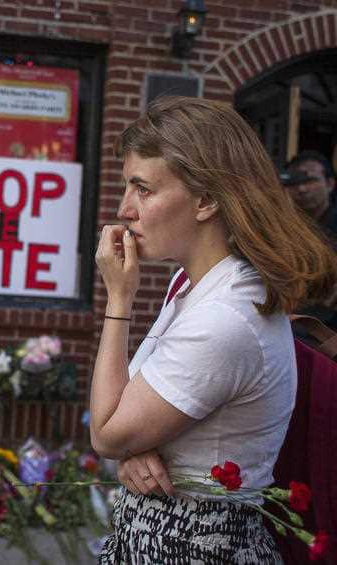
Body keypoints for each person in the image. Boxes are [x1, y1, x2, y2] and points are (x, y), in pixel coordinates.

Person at [91, 96, 337, 563]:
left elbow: (105, 432)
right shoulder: (193, 284)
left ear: (205, 200)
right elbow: (129, 419)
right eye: (128, 188)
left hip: (194, 547)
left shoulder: (225, 318)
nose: (125, 210)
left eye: (143, 189)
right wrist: (136, 445)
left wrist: (118, 299)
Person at [284, 150, 337, 245]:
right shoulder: (284, 225)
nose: (301, 189)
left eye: (310, 181)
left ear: (329, 184)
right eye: (294, 182)